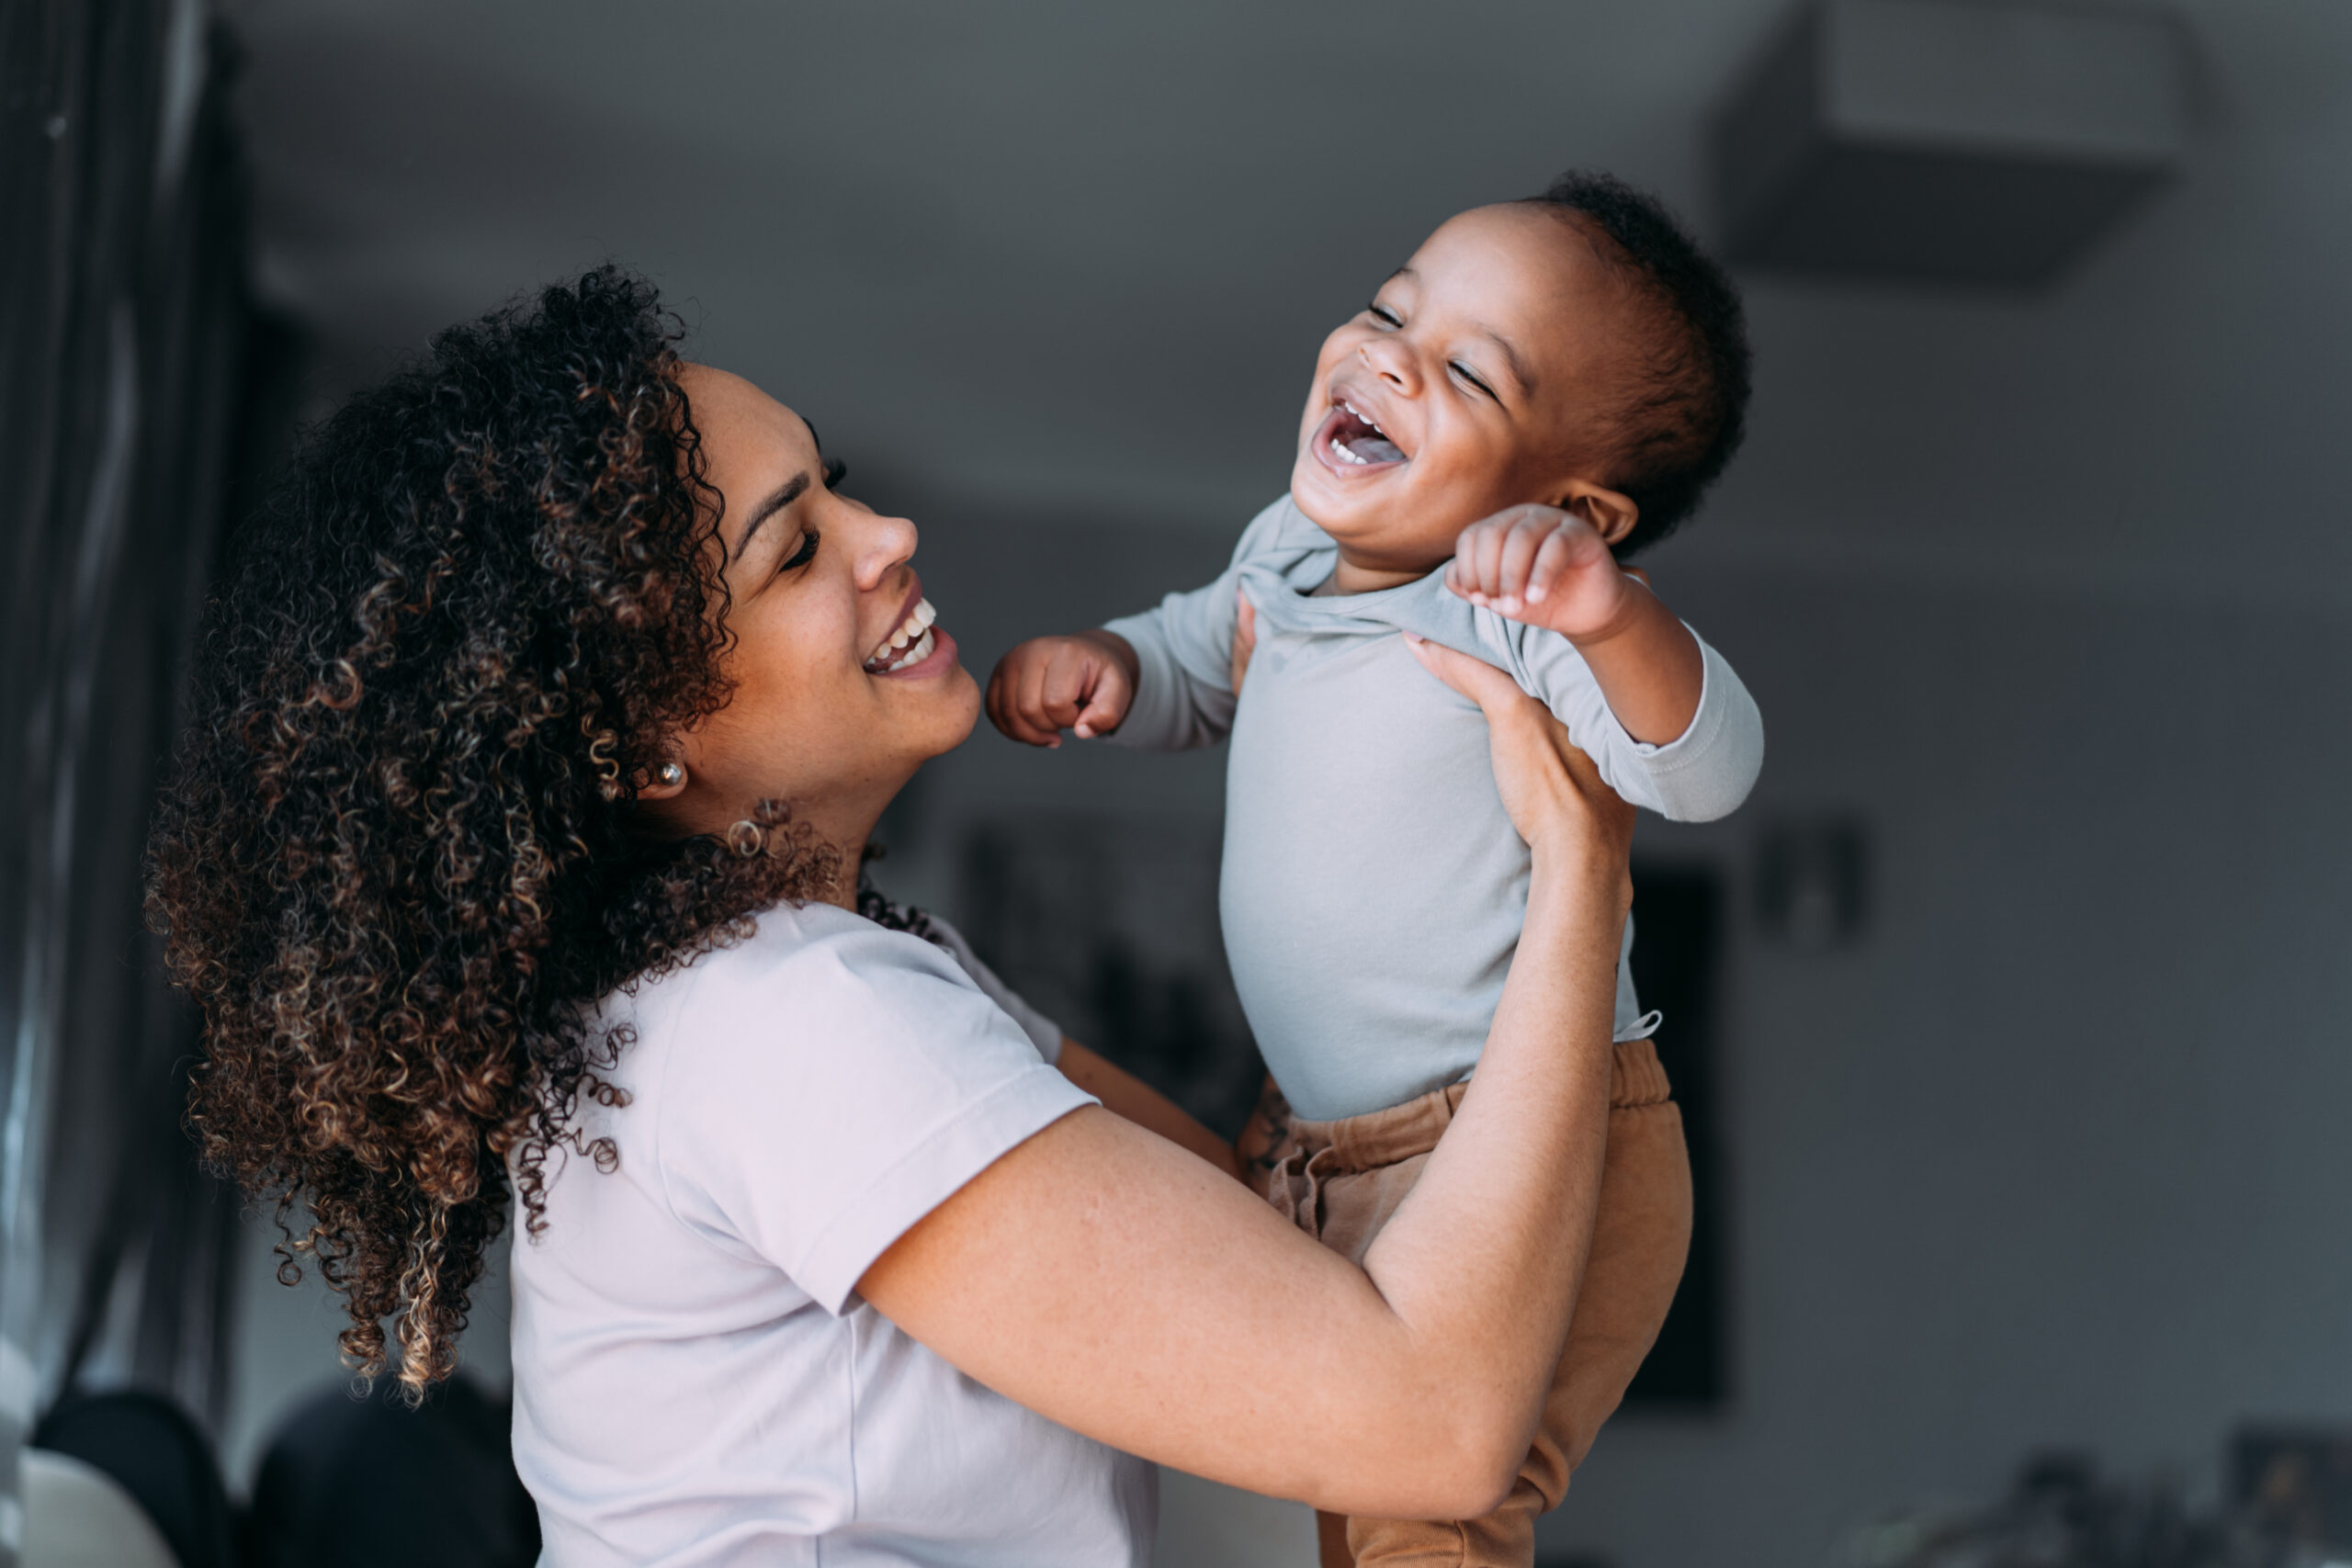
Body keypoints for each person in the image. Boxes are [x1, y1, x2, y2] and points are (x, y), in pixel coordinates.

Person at [146, 267, 1642, 1567]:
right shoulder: (786, 1023)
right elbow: (1431, 1424)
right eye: (793, 548)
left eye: (836, 478)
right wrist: (1578, 869)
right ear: (643, 739)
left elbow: (1269, 1233)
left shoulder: (799, 980)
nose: (889, 532)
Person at [985, 170, 1759, 1565]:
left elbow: (1704, 771)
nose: (1389, 353)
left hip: (1526, 1140)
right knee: (1303, 1492)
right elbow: (1190, 664)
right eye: (1390, 308)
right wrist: (1108, 665)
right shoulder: (1281, 555)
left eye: (1467, 368)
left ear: (1574, 507)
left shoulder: (1512, 609)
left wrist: (1609, 615)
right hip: (1323, 1141)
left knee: (1429, 1506)